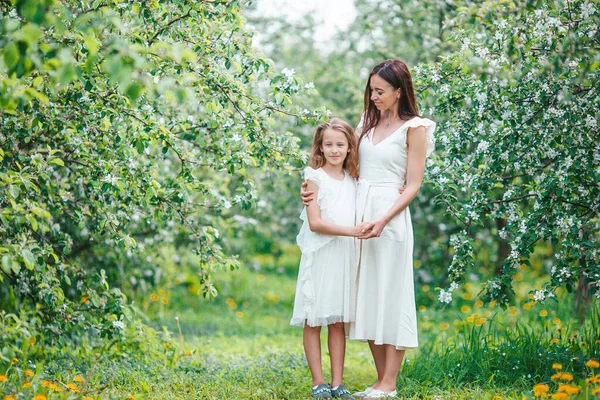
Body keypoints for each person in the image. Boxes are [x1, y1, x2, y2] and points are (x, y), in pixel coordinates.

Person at [302, 59, 436, 399]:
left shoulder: (415, 128)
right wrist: (312, 186)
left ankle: (389, 382)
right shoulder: (367, 123)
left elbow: (413, 184)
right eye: (371, 90)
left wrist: (384, 218)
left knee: (391, 293)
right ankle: (378, 380)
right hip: (358, 213)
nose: (373, 96)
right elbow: (343, 162)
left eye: (380, 91)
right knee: (367, 294)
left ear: (399, 91)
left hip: (389, 216)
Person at [291, 118, 371, 399]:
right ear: (320, 148)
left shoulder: (354, 180)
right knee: (313, 319)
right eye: (328, 144)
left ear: (350, 147)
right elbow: (315, 223)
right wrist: (351, 231)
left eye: (340, 144)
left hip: (343, 258)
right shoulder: (314, 178)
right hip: (321, 256)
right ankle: (318, 382)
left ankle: (338, 383)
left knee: (337, 321)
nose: (334, 150)